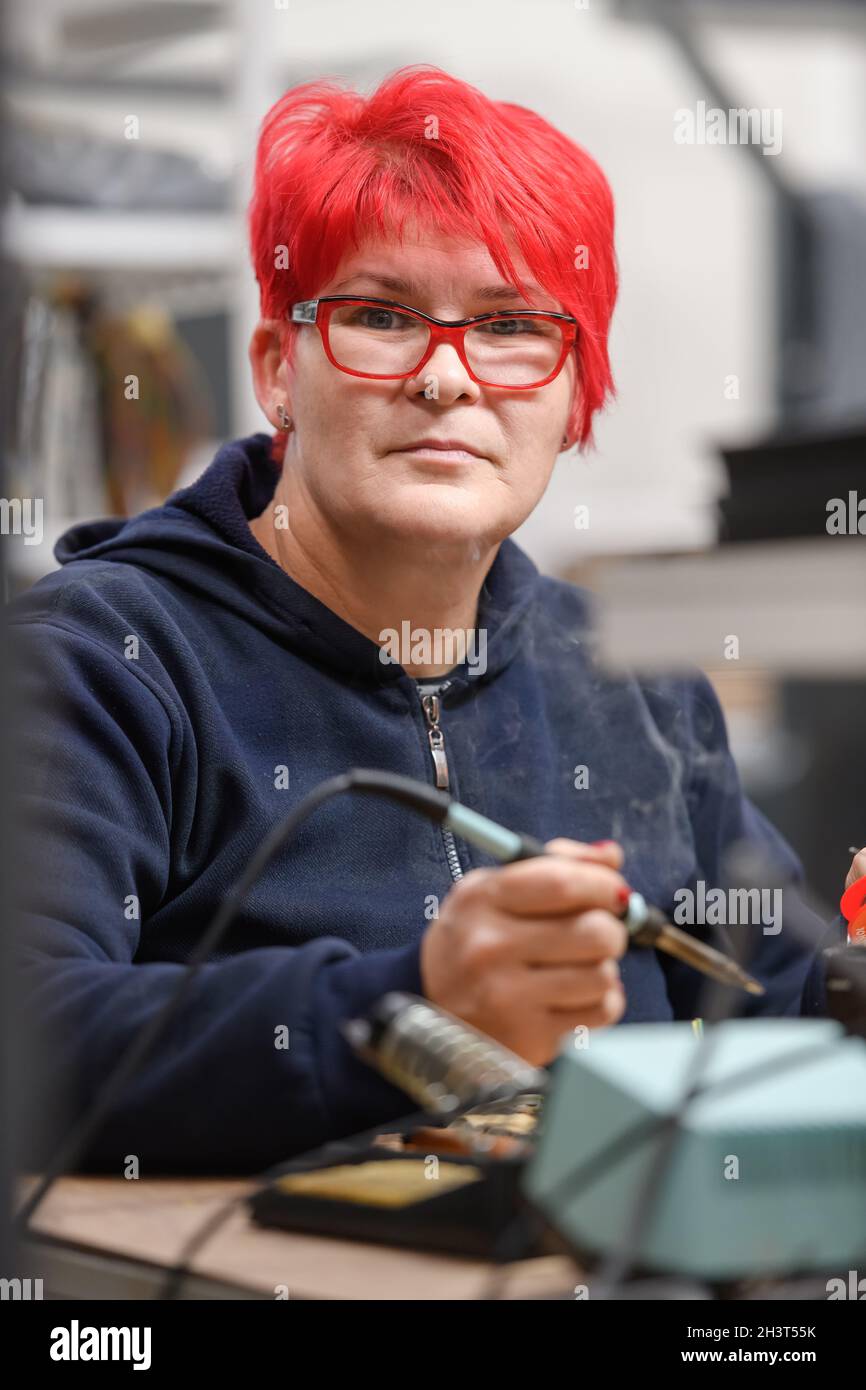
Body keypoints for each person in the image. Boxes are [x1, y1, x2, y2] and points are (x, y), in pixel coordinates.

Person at [10, 66, 829, 1174]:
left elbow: (780, 1005)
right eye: (382, 316)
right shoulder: (99, 663)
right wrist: (416, 1006)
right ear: (276, 370)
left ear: (572, 397)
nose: (447, 378)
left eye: (507, 328)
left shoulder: (631, 681)